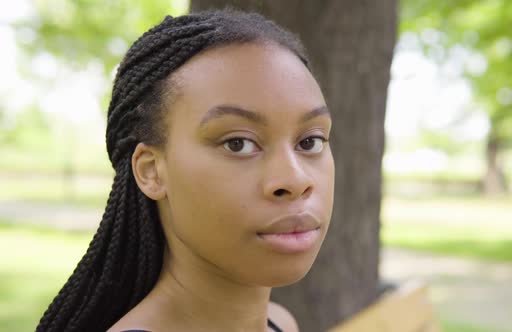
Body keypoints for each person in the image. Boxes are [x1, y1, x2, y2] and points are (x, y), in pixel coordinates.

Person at [36, 7, 335, 332]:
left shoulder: (280, 324)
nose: (295, 180)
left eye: (310, 142)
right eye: (238, 143)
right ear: (151, 171)